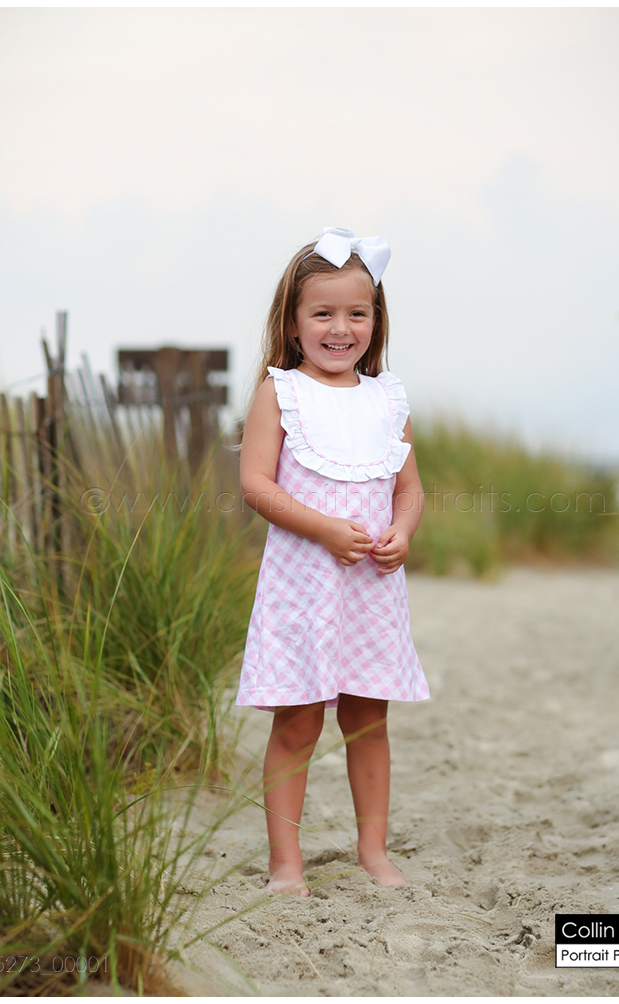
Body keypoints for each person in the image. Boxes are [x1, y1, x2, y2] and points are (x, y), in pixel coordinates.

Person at [236, 227, 429, 896]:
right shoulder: (280, 392)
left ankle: (372, 852)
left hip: (371, 588)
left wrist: (401, 531)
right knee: (298, 720)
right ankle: (286, 866)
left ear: (376, 322)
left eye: (357, 313)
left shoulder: (388, 399)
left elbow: (407, 486)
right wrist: (323, 530)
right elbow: (257, 484)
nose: (340, 328)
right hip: (303, 584)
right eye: (323, 313)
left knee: (367, 720)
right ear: (293, 323)